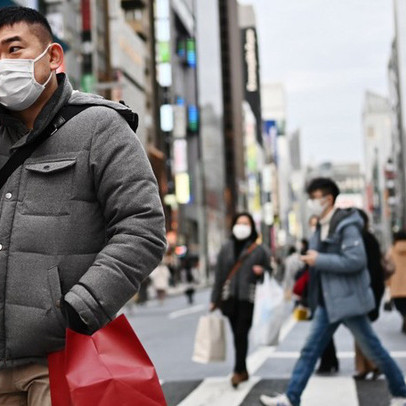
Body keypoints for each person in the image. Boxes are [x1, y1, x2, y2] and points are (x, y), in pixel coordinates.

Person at [0, 7, 166, 405]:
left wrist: (77, 309)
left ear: (53, 57)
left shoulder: (100, 126)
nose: (3, 65)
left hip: (60, 359)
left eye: (14, 49)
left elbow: (142, 227)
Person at [260, 177, 406, 406]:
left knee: (373, 349)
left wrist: (319, 259)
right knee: (309, 351)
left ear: (328, 199)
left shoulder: (345, 225)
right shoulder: (320, 225)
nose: (311, 203)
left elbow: (356, 260)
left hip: (348, 301)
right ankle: (291, 397)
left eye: (314, 198)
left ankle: (401, 392)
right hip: (328, 301)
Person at [210, 212, 271, 388]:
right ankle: (242, 370)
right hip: (229, 298)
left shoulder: (259, 249)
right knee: (237, 334)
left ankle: (238, 371)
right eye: (239, 222)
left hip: (249, 298)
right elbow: (219, 276)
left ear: (251, 227)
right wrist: (215, 299)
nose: (242, 226)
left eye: (246, 223)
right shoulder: (226, 247)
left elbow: (271, 270)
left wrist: (263, 271)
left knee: (241, 333)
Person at [352, 209, 385, 380]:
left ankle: (375, 363)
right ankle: (365, 366)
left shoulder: (363, 239)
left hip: (366, 290)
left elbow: (371, 269)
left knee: (362, 331)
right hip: (368, 289)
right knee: (361, 331)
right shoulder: (366, 238)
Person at [386, 231, 406, 334]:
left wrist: (388, 283)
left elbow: (388, 268)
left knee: (401, 306)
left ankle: (404, 317)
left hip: (397, 286)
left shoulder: (392, 251)